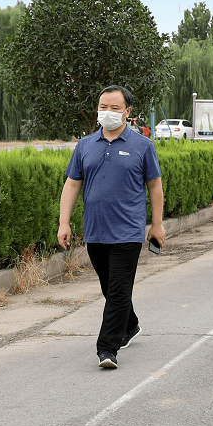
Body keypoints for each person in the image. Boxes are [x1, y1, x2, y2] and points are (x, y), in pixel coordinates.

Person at [57, 85, 164, 369]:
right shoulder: (85, 145)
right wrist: (64, 222)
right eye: (103, 107)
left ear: (128, 113)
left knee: (117, 290)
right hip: (95, 231)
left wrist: (157, 224)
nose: (108, 112)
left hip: (128, 232)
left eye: (115, 108)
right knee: (110, 287)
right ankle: (130, 324)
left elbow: (154, 186)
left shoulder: (142, 146)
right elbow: (72, 184)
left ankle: (107, 348)